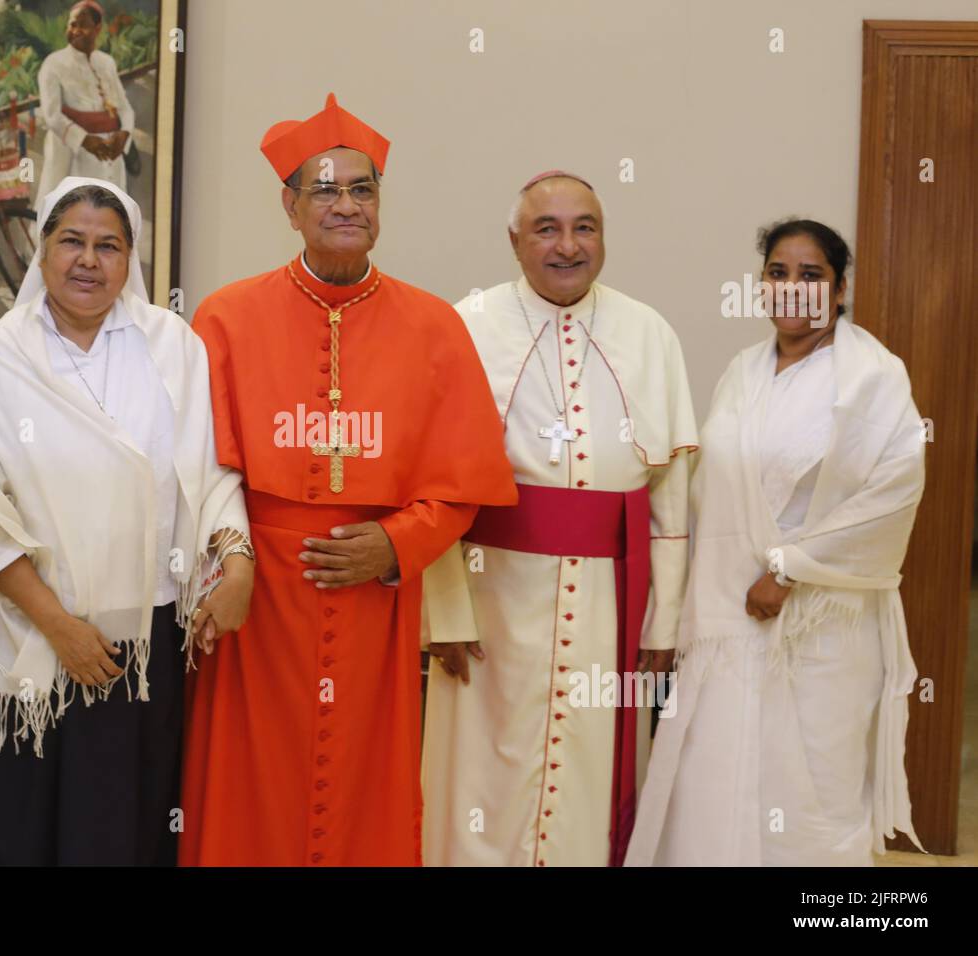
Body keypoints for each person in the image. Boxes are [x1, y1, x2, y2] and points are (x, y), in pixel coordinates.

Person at [179, 93, 518, 867]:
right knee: (247, 788)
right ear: (290, 205)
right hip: (256, 597)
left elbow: (463, 486)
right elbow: (204, 469)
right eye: (325, 189)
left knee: (367, 785)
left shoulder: (435, 325)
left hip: (373, 604)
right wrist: (232, 560)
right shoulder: (226, 318)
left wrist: (396, 544)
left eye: (361, 189)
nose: (346, 204)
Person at [0, 177, 252, 865]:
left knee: (122, 823)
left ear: (131, 258)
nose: (89, 261)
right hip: (27, 631)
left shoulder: (170, 344)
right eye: (72, 242)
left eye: (109, 246)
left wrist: (238, 561)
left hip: (139, 639)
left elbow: (207, 471)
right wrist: (59, 626)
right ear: (42, 249)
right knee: (24, 822)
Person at [625, 220, 926, 866]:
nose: (793, 289)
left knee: (812, 785)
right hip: (730, 618)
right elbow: (712, 486)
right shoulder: (742, 371)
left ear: (840, 290)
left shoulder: (871, 376)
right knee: (718, 769)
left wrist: (789, 570)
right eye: (778, 273)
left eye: (811, 275)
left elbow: (894, 493)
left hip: (821, 626)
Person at [421, 171, 698, 867]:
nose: (567, 245)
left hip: (612, 608)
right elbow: (431, 486)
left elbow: (670, 498)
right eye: (547, 229)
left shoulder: (649, 331)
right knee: (481, 772)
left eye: (585, 228)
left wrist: (663, 623)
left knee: (592, 766)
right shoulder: (465, 325)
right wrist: (445, 613)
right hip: (492, 598)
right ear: (514, 241)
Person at [37, 1, 135, 197]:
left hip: (110, 154)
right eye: (72, 24)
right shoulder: (54, 63)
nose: (75, 30)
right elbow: (52, 115)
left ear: (97, 28)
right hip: (72, 153)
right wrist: (84, 139)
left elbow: (124, 108)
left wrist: (124, 134)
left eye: (82, 25)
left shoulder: (106, 62)